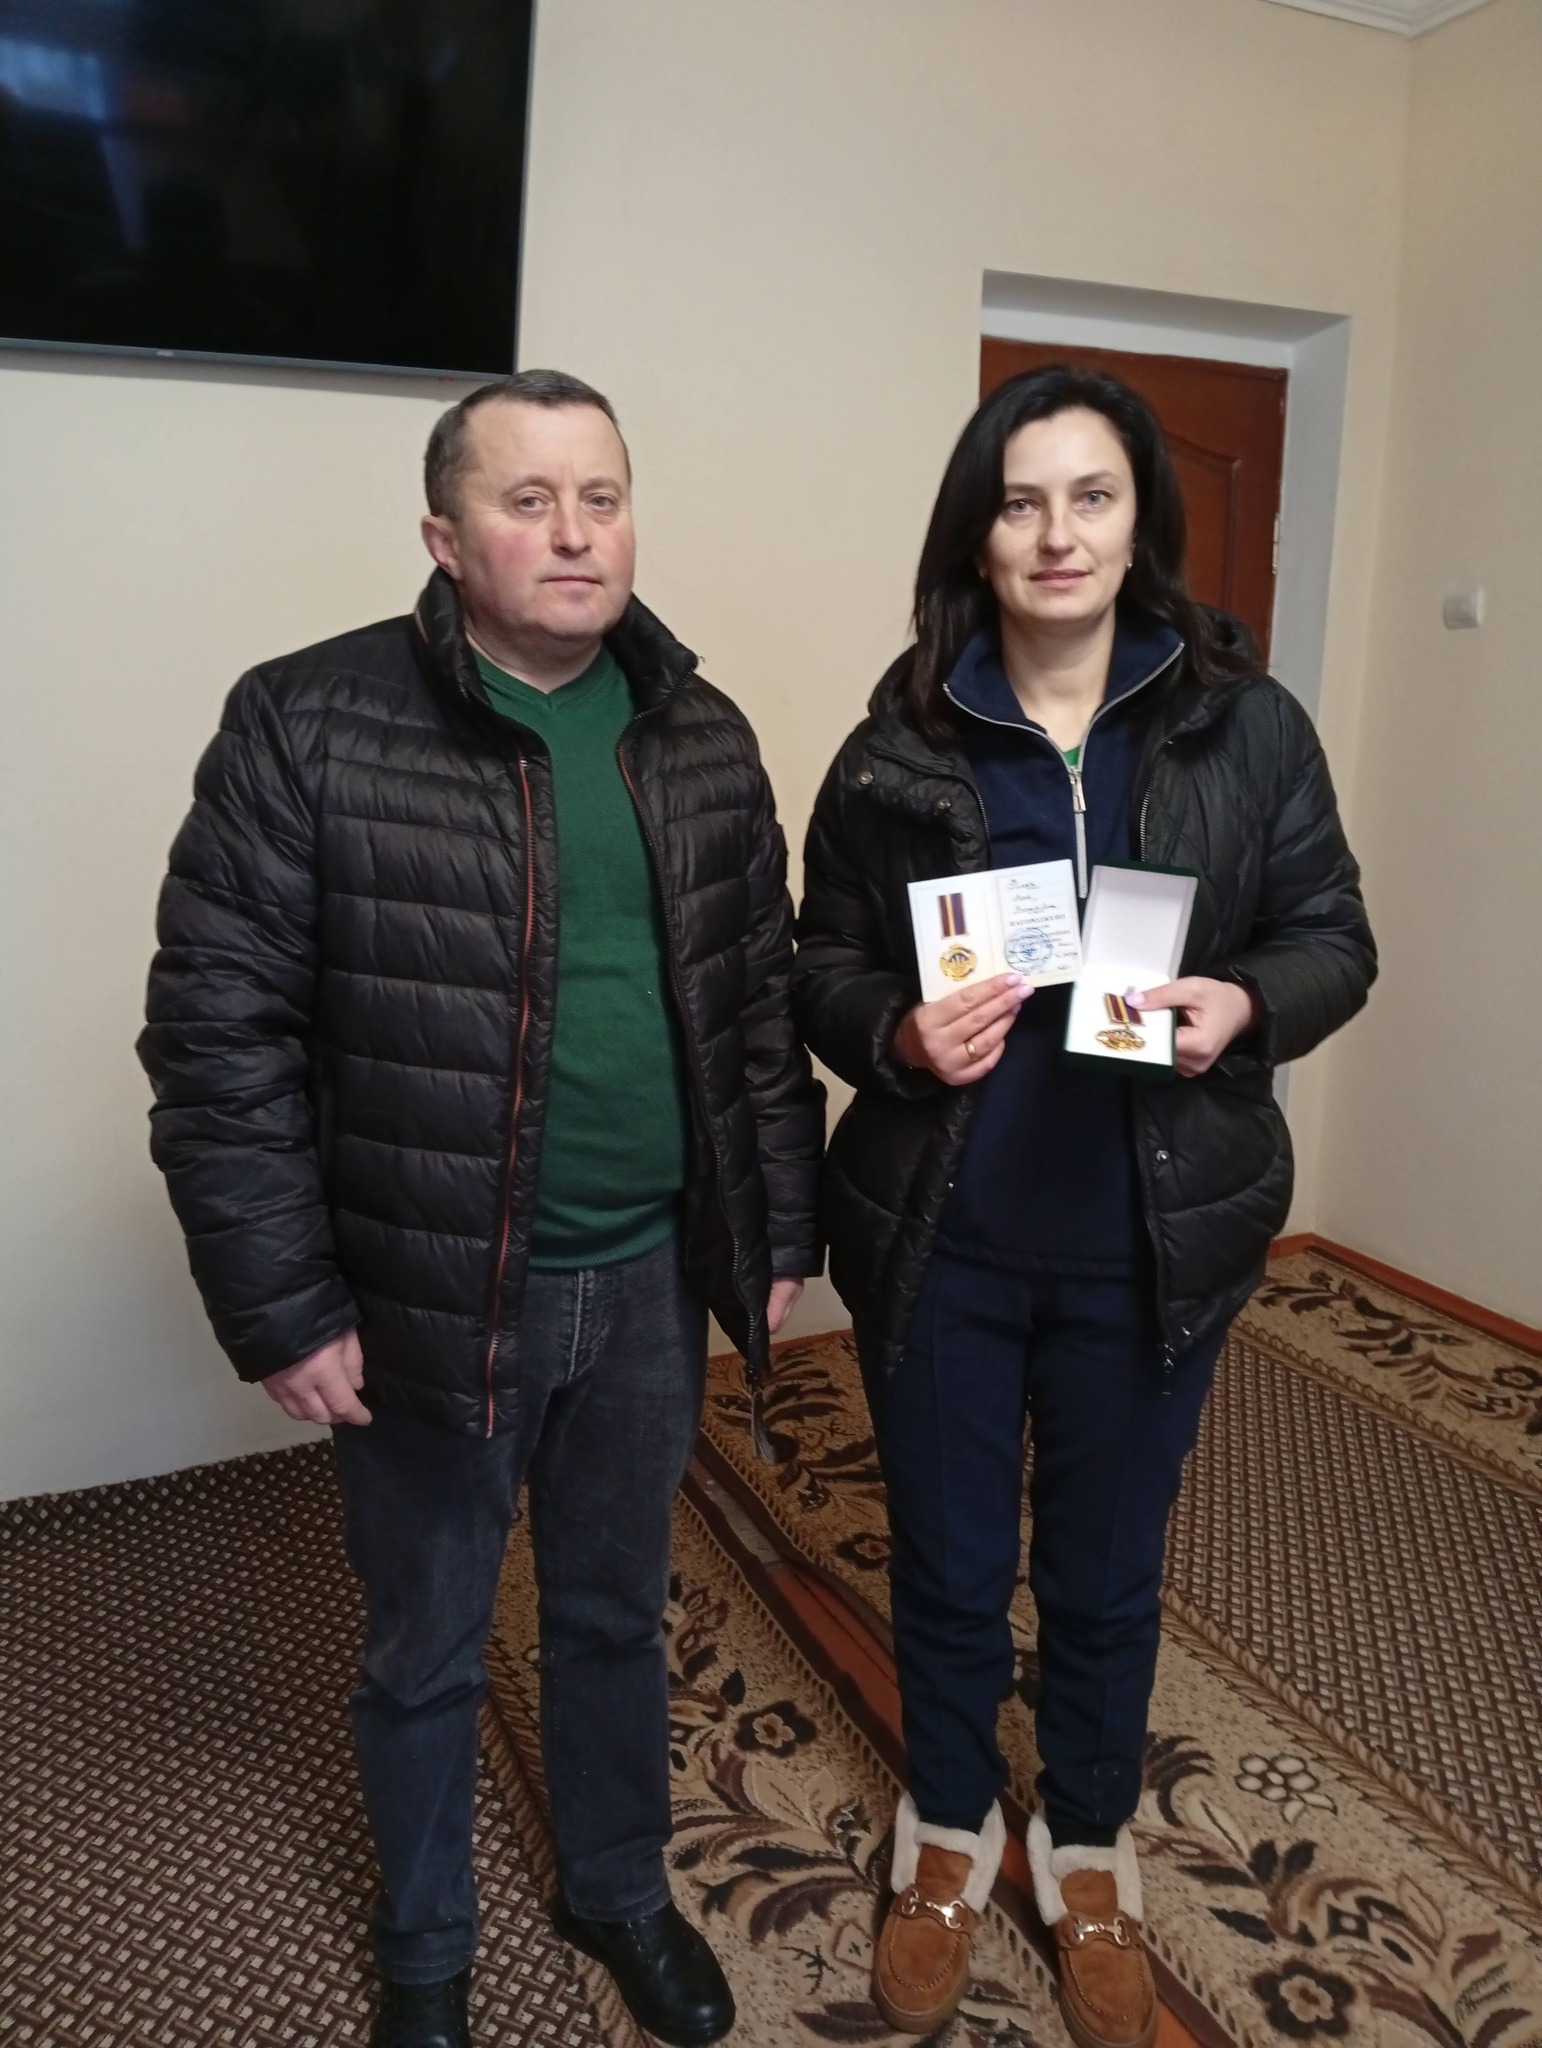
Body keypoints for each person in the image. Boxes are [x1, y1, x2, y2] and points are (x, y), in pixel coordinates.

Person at [139, 369, 824, 2048]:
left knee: (613, 1613)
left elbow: (755, 1011)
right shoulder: (305, 721)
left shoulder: (701, 734)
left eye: (602, 495)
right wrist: (286, 1303)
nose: (574, 532)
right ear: (445, 540)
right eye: (528, 501)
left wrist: (778, 1229)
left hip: (647, 1280)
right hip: (431, 1290)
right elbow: (217, 1037)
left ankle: (617, 1889)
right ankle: (425, 1943)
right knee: (427, 1643)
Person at [793, 365, 1374, 2047]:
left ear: (1139, 523)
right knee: (950, 1564)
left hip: (1150, 1247)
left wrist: (1242, 1003)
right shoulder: (895, 742)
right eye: (1020, 500)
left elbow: (1332, 937)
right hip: (942, 1243)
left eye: (1091, 497)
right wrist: (893, 1033)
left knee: (1107, 1574)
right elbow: (818, 962)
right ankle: (946, 1832)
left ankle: (1091, 1844)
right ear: (975, 535)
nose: (1056, 533)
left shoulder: (1245, 727)